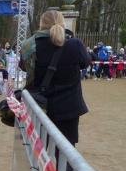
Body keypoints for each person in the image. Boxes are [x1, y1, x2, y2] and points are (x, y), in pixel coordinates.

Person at [19, 9, 90, 148]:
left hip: (41, 106)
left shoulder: (29, 45)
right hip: (69, 108)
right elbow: (85, 63)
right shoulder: (74, 44)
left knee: (41, 149)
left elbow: (23, 67)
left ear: (41, 24)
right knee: (66, 150)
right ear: (63, 23)